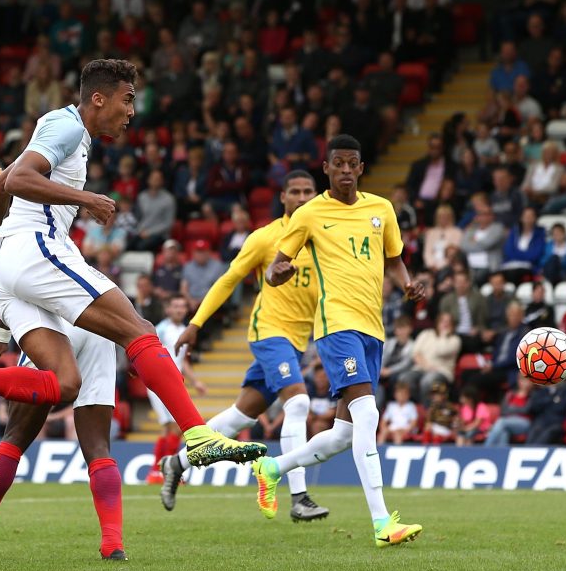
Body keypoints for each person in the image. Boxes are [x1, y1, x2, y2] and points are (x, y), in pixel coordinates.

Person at [0, 59, 266, 468]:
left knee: (66, 384)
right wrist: (87, 199)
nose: (132, 112)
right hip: (40, 249)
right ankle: (198, 435)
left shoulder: (65, 133)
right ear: (98, 98)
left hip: (19, 261)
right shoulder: (65, 125)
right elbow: (15, 182)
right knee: (139, 331)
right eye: (128, 100)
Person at [254, 134, 424, 547]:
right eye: (338, 164)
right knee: (368, 416)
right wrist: (281, 275)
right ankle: (383, 523)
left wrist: (407, 283)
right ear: (326, 169)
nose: (346, 170)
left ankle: (273, 469)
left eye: (353, 164)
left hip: (372, 329)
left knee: (345, 434)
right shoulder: (310, 214)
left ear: (361, 168)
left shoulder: (381, 209)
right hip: (335, 327)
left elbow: (394, 258)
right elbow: (277, 267)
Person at [0, 165, 128, 560]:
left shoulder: (0, 241)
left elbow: (9, 294)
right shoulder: (41, 222)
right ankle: (113, 544)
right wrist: (2, 339)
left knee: (14, 438)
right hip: (95, 326)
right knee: (97, 444)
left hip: (57, 333)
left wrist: (4, 338)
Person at [161, 170, 330, 520]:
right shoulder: (265, 238)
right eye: (294, 192)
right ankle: (300, 498)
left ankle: (176, 462)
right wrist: (196, 323)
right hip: (269, 332)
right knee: (298, 402)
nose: (301, 198)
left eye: (307, 192)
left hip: (298, 341)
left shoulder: (325, 238)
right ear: (282, 197)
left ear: (317, 196)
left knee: (240, 415)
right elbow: (228, 280)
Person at [146, 295, 207, 482]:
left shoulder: (185, 331)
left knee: (168, 428)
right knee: (176, 427)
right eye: (175, 306)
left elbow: (182, 361)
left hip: (173, 383)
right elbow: (148, 352)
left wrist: (195, 381)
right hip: (161, 382)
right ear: (168, 309)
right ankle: (168, 472)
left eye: (182, 306)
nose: (179, 309)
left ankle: (156, 473)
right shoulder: (161, 329)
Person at [378, 381, 418, 445]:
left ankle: (396, 452)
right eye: (399, 394)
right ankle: (379, 451)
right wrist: (384, 429)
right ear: (395, 395)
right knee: (382, 434)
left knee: (397, 434)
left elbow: (414, 422)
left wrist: (406, 430)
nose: (401, 396)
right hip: (393, 428)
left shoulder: (411, 406)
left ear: (408, 395)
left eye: (403, 394)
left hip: (405, 428)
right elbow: (383, 421)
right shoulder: (391, 405)